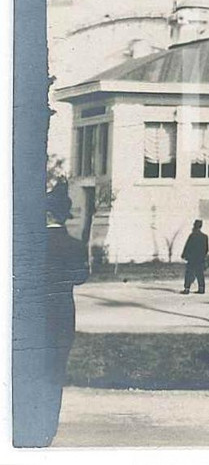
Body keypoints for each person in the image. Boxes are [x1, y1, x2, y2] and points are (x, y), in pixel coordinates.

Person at [28, 182, 89, 446]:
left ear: (47, 214)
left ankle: (29, 425)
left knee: (31, 372)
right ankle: (48, 429)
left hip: (34, 317)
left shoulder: (32, 245)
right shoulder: (75, 245)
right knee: (55, 373)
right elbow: (80, 277)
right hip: (63, 316)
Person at [180, 219, 209, 294]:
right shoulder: (205, 237)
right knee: (200, 273)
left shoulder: (192, 235)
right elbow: (206, 249)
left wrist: (184, 255)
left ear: (194, 226)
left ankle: (187, 289)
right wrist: (203, 256)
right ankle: (201, 288)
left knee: (189, 273)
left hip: (192, 258)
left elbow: (187, 246)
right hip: (200, 259)